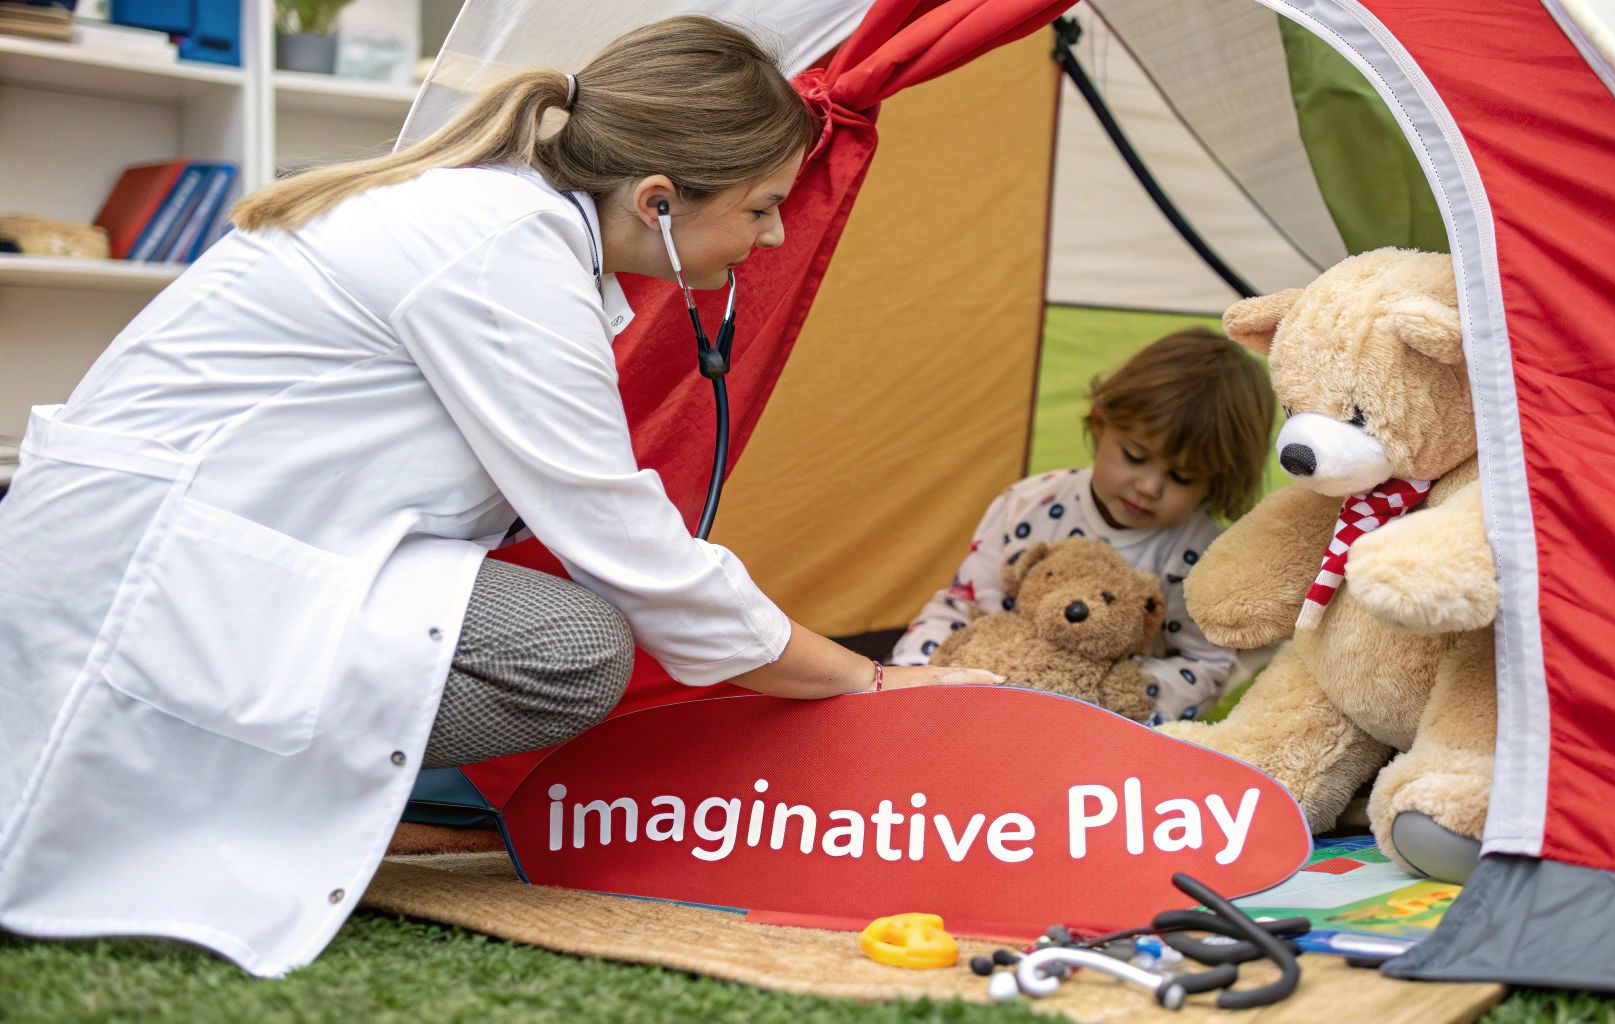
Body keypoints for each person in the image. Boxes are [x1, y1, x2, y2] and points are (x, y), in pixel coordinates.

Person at [0, 16, 997, 977]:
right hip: (147, 572)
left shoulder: (508, 227)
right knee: (569, 653)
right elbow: (627, 546)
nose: (775, 235)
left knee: (558, 636)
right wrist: (863, 682)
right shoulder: (499, 255)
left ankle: (272, 791)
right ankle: (241, 796)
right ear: (657, 197)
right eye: (759, 206)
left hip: (224, 552)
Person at [891, 327, 1276, 724]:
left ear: (1218, 480)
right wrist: (914, 676)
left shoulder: (1202, 553)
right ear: (1100, 423)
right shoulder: (1028, 503)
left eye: (1182, 478)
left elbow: (1205, 664)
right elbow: (964, 605)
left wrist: (1107, 704)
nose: (1148, 487)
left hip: (1101, 726)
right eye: (1134, 455)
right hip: (988, 696)